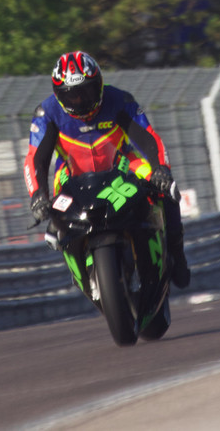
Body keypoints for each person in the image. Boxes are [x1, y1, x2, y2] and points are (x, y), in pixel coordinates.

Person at [24, 51, 191, 288]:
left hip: (123, 161)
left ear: (99, 84)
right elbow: (35, 160)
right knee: (53, 215)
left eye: (86, 91)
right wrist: (37, 195)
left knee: (168, 190)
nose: (80, 101)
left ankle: (177, 253)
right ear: (58, 94)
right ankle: (77, 257)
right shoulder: (46, 113)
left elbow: (148, 138)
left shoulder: (119, 100)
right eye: (71, 95)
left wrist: (160, 169)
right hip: (70, 173)